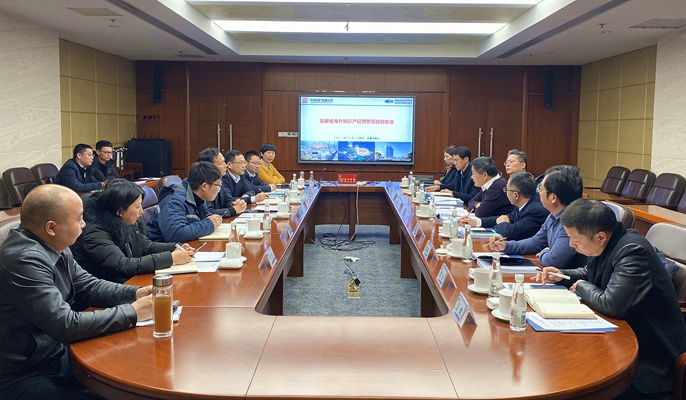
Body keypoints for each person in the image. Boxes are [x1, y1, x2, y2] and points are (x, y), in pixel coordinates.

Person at [0, 184, 153, 399]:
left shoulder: (55, 245)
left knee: (137, 366)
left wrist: (136, 294)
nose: (84, 223)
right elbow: (65, 325)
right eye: (79, 218)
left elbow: (88, 285)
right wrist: (133, 312)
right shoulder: (24, 260)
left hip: (55, 355)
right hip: (23, 374)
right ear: (51, 227)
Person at [536, 199, 686, 400]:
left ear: (600, 237)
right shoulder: (608, 241)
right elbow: (591, 271)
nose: (571, 245)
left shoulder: (633, 250)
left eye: (575, 239)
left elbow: (612, 304)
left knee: (568, 379)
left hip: (648, 359)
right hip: (619, 338)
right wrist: (562, 275)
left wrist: (581, 286)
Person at [71, 179, 195, 283]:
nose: (141, 211)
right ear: (120, 211)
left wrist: (176, 247)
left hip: (125, 282)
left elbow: (144, 245)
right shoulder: (94, 231)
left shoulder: (124, 220)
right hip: (107, 289)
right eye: (137, 206)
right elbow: (122, 265)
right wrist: (170, 258)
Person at [488, 166, 587, 269]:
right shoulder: (552, 215)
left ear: (553, 197)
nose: (538, 194)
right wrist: (506, 245)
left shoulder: (572, 222)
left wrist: (545, 252)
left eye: (541, 189)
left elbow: (553, 261)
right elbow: (536, 242)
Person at [146, 162, 223, 243]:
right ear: (204, 186)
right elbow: (175, 234)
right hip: (163, 247)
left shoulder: (197, 195)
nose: (219, 188)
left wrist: (211, 218)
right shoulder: (174, 201)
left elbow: (202, 216)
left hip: (184, 245)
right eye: (218, 185)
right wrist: (209, 224)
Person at [460, 172, 548, 240]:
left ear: (516, 195)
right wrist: (477, 222)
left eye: (506, 190)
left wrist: (502, 223)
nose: (505, 192)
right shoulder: (523, 202)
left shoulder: (536, 210)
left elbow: (510, 233)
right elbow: (506, 218)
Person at [197, 148, 247, 217]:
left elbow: (227, 199)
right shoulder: (203, 184)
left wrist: (235, 204)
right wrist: (233, 210)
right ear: (210, 166)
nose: (226, 165)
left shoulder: (220, 181)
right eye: (221, 163)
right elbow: (207, 212)